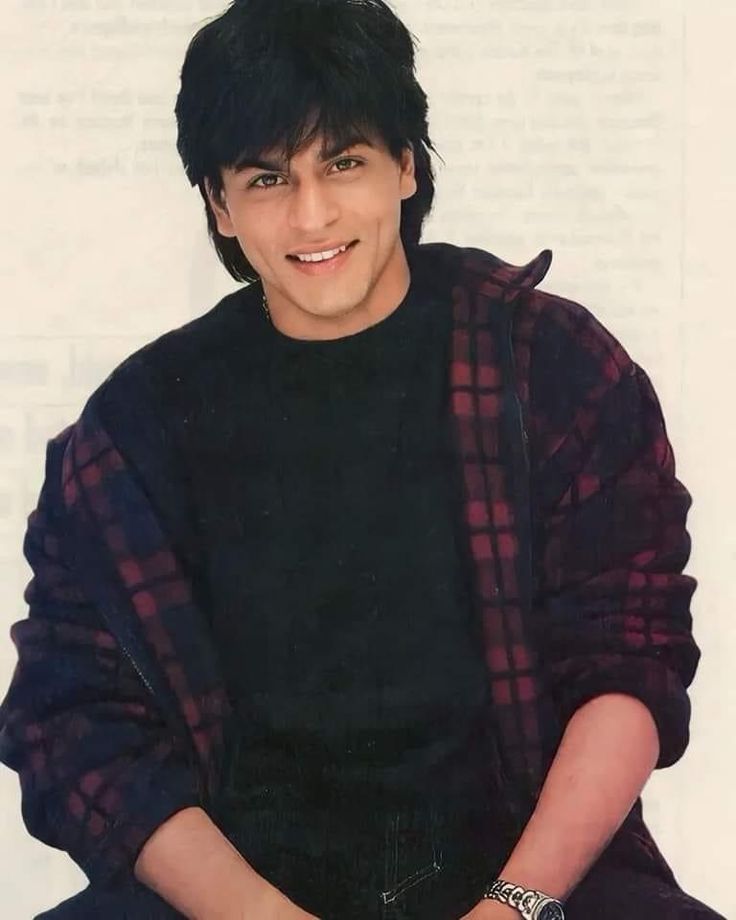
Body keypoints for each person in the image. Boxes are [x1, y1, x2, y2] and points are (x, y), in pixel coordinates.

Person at [0, 1, 726, 918]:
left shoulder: (550, 365)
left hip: (523, 868)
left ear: (406, 166)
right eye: (267, 180)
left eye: (343, 162)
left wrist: (514, 905)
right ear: (219, 206)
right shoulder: (140, 426)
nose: (313, 215)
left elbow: (630, 659)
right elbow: (75, 727)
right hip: (242, 885)